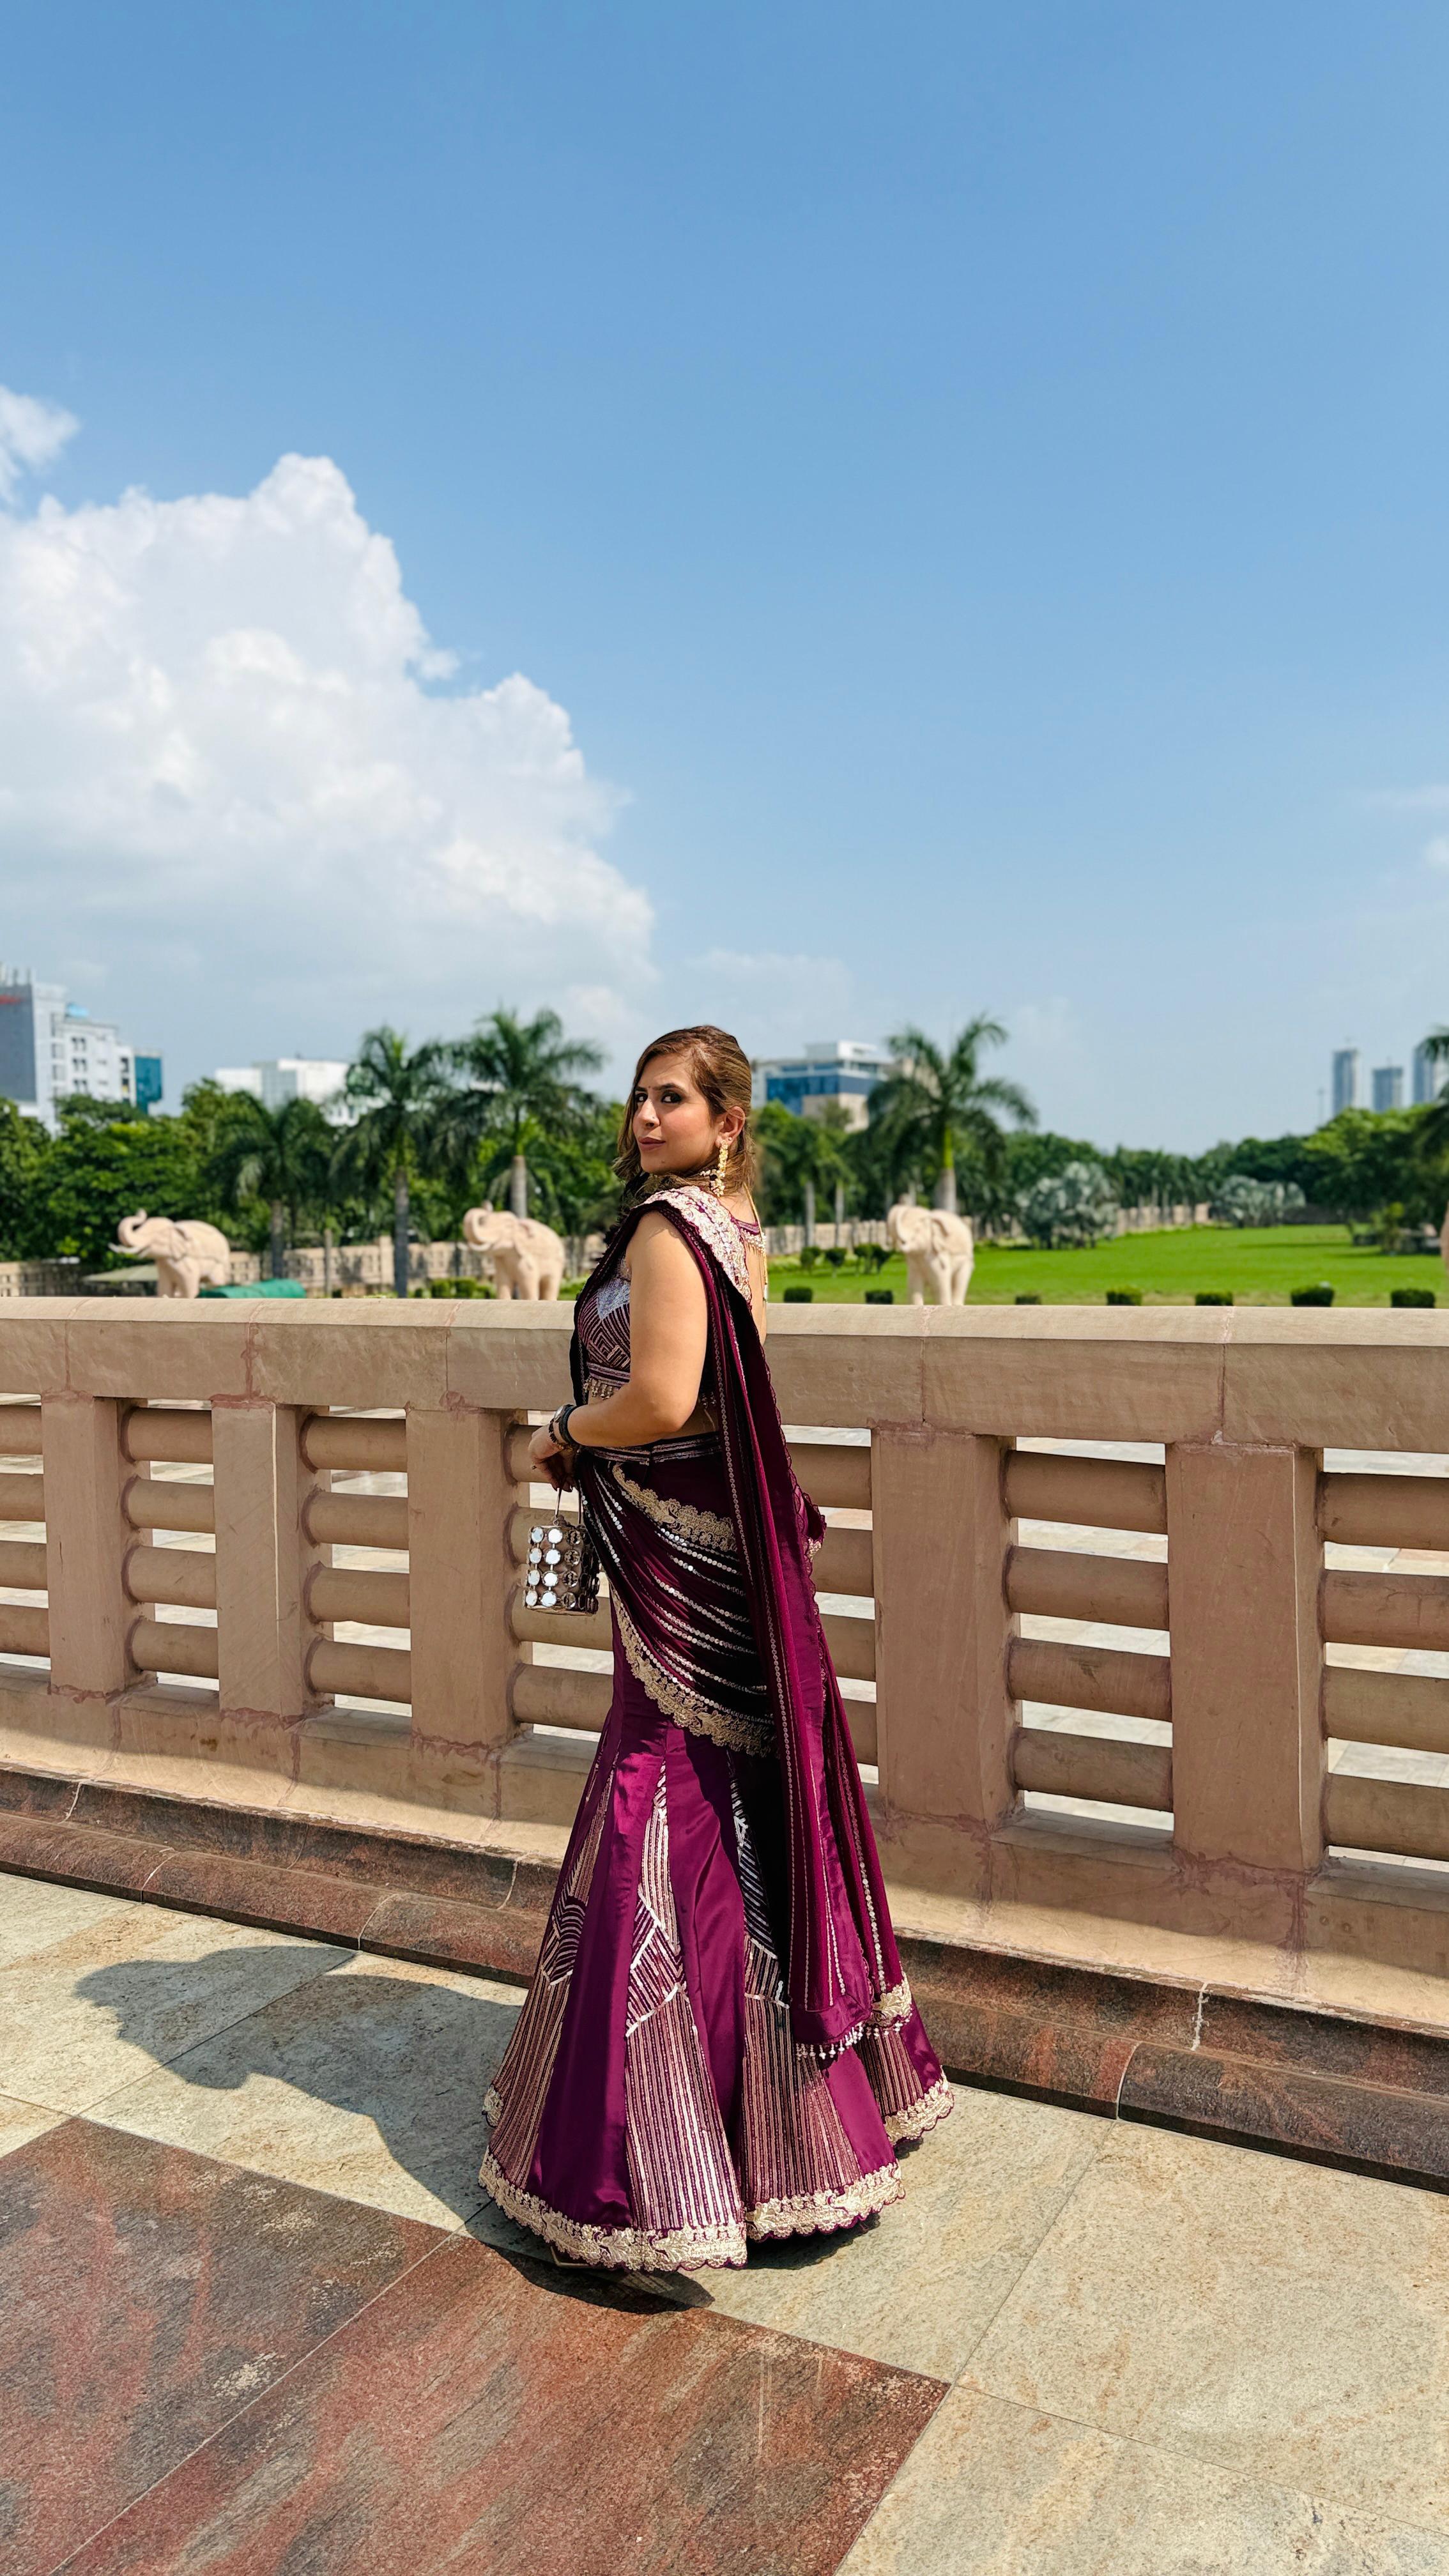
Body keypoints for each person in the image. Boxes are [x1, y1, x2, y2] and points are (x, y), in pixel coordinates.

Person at [479, 1023, 951, 2273]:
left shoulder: (667, 1232)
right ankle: (789, 2137)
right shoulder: (736, 1236)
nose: (645, 1117)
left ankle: (641, 2161)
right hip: (718, 1555)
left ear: (728, 1121)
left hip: (678, 1560)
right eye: (639, 1096)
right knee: (731, 1814)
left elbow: (666, 1400)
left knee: (653, 1796)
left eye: (672, 1099)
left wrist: (565, 1430)